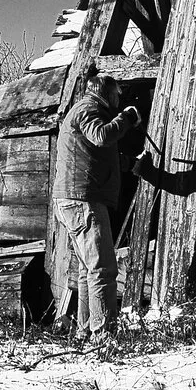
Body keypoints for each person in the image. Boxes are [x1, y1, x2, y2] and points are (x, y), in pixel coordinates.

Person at [52, 74, 141, 338]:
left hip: (73, 198)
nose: (118, 101)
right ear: (107, 93)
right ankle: (104, 334)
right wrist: (126, 117)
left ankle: (85, 331)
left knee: (88, 270)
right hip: (83, 200)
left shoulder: (84, 111)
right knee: (103, 268)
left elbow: (97, 154)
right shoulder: (89, 109)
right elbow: (102, 136)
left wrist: (131, 164)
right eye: (117, 96)